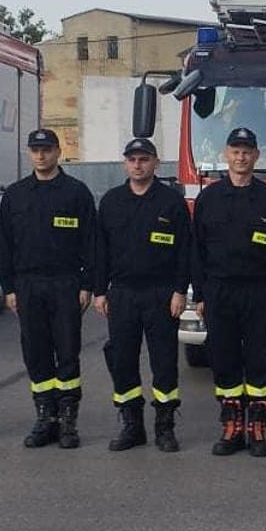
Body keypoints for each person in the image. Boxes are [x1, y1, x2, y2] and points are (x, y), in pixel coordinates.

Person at [191, 127, 266, 457]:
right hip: (219, 290)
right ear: (226, 154)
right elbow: (196, 251)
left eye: (247, 151)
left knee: (260, 359)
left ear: (257, 156)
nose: (241, 156)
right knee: (224, 357)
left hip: (258, 290)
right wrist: (201, 295)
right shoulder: (209, 198)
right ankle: (232, 426)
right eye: (235, 150)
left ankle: (257, 428)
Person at [92, 137, 192, 453]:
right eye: (133, 159)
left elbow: (184, 252)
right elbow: (100, 250)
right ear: (125, 164)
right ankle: (131, 424)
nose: (138, 164)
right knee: (122, 361)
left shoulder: (170, 202)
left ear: (155, 163)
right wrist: (99, 291)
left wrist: (179, 291)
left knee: (163, 362)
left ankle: (164, 427)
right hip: (122, 293)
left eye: (144, 159)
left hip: (161, 293)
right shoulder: (111, 201)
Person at [0, 129, 96, 450]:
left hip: (65, 283)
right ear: (29, 153)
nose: (41, 156)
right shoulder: (15, 195)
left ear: (58, 152)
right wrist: (9, 287)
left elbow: (91, 245)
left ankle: (68, 420)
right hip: (27, 284)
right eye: (35, 150)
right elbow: (5, 246)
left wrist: (86, 285)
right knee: (36, 352)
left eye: (47, 150)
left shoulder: (76, 193)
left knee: (67, 352)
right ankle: (45, 417)